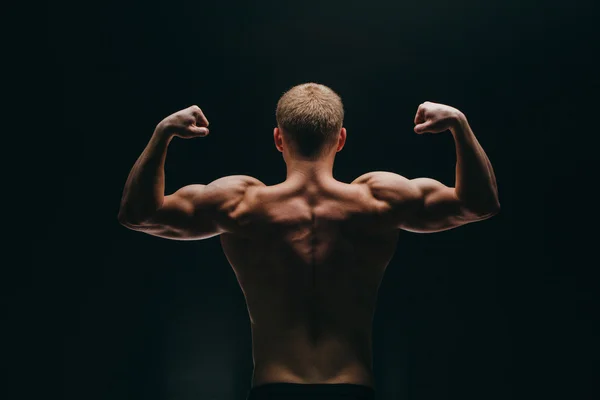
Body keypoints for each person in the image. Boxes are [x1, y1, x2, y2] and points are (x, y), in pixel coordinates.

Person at [118, 83, 500, 400]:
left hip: (273, 388)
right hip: (352, 388)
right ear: (341, 139)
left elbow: (138, 214)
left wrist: (163, 132)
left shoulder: (241, 203)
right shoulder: (377, 200)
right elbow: (479, 204)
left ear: (278, 139)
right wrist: (458, 126)